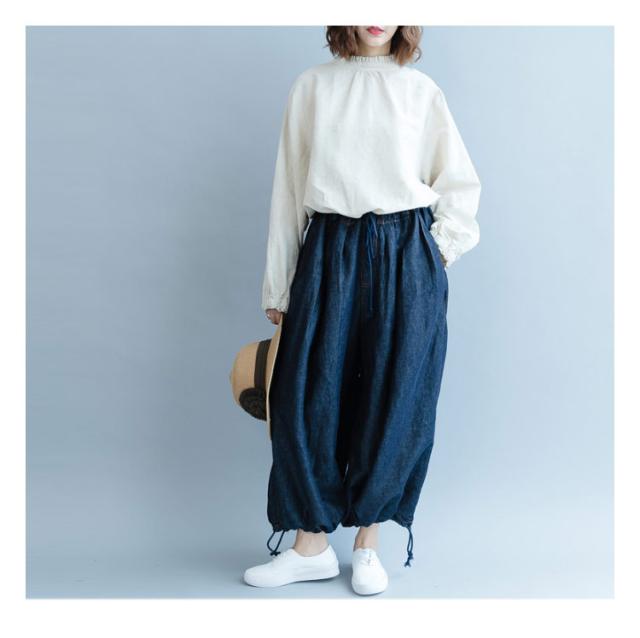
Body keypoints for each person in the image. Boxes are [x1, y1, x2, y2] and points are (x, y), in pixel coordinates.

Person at [244, 25, 481, 595]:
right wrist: (278, 288)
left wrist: (432, 255)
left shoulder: (421, 91)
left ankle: (368, 544)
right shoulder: (313, 87)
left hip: (405, 252)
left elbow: (459, 184)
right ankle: (310, 547)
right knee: (308, 396)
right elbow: (288, 190)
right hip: (330, 247)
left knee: (394, 396)